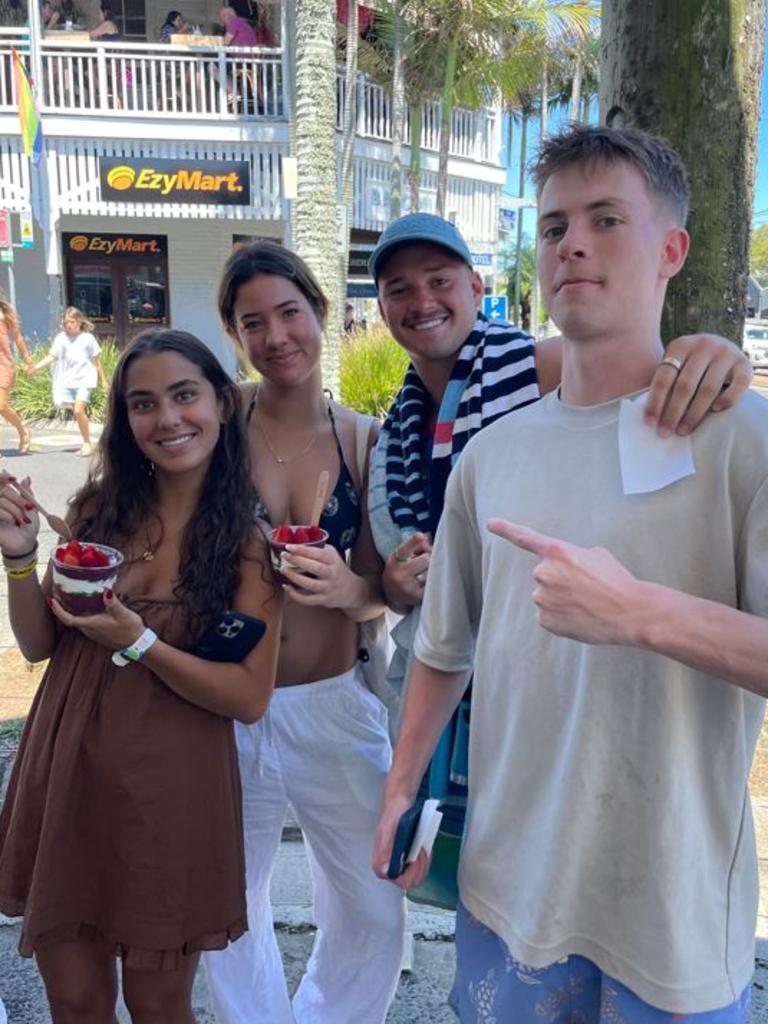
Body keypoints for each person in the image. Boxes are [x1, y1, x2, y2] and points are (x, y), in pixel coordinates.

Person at [373, 125, 768, 1022]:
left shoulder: (744, 439)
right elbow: (444, 648)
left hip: (670, 918)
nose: (573, 244)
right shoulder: (491, 454)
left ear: (672, 249)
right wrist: (400, 788)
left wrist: (640, 613)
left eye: (605, 219)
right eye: (553, 227)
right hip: (507, 895)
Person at [0, 328, 282, 1022]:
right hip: (68, 773)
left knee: (157, 1003)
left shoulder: (250, 546)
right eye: (143, 403)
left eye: (184, 395)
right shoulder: (98, 514)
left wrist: (141, 641)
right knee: (74, 997)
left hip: (173, 793)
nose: (168, 419)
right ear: (126, 421)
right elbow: (41, 644)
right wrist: (17, 557)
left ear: (220, 401)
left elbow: (248, 698)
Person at [203, 241, 405, 1024]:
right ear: (236, 337)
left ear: (321, 313)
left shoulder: (363, 439)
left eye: (290, 312)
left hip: (334, 703)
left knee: (371, 903)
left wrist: (350, 586)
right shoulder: (215, 428)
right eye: (253, 322)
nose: (277, 335)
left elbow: (380, 591)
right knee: (229, 901)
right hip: (226, 704)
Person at [32, 307, 110, 457]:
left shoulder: (87, 339)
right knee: (78, 413)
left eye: (72, 322)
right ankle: (86, 441)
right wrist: (36, 367)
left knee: (78, 410)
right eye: (66, 322)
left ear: (79, 322)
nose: (69, 325)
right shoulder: (61, 338)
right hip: (68, 381)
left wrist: (104, 381)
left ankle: (87, 443)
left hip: (85, 380)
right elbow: (52, 356)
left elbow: (96, 361)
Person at [0, 290, 34, 454]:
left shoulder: (3, 313)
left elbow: (18, 337)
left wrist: (28, 360)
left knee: (1, 405)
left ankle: (23, 431)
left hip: (3, 364)